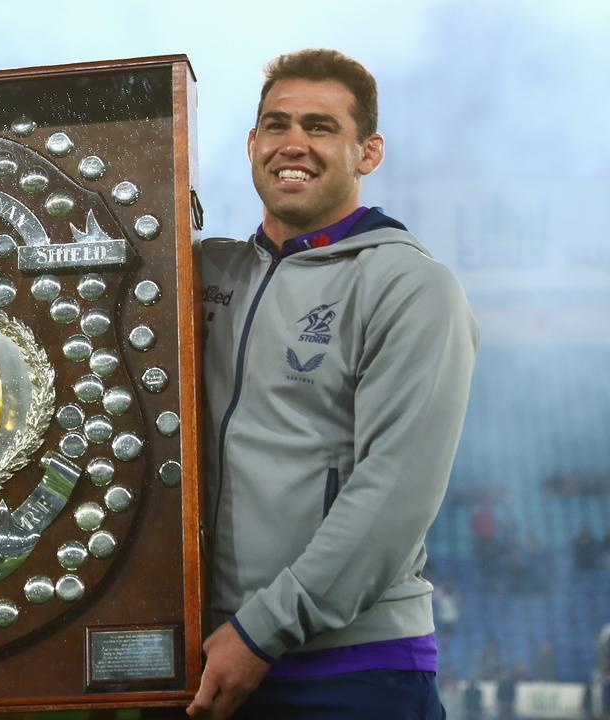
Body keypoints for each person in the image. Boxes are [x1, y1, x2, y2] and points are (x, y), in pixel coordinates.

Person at [188, 49, 478, 719]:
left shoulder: (410, 287)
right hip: (211, 656)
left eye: (320, 127)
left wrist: (262, 630)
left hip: (354, 670)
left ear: (367, 152)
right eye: (277, 124)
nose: (294, 143)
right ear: (252, 144)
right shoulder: (206, 275)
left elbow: (394, 492)